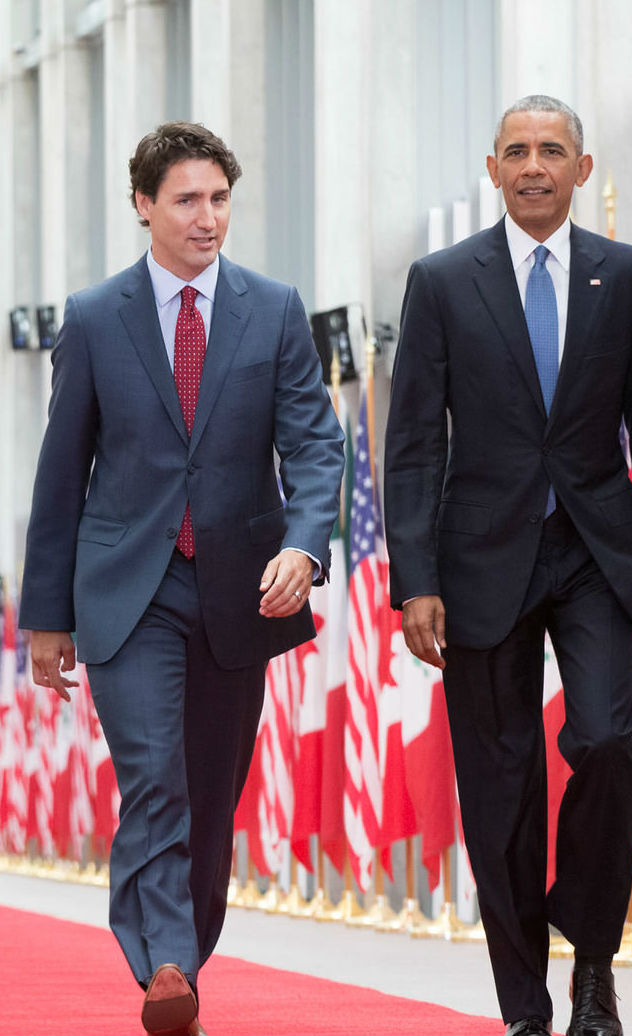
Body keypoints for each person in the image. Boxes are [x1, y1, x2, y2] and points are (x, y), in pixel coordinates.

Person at [19, 122, 344, 1036]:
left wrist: (304, 545)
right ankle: (162, 963)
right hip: (130, 590)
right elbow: (61, 473)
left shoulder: (274, 309)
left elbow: (316, 446)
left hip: (243, 589)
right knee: (154, 776)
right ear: (144, 206)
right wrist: (46, 617)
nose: (209, 219)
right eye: (189, 200)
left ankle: (184, 957)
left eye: (220, 200)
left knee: (211, 789)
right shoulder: (93, 317)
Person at [384, 95, 632, 1036]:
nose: (533, 166)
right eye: (516, 151)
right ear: (492, 169)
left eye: (551, 151)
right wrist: (416, 581)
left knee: (607, 741)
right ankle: (525, 1007)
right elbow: (411, 446)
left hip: (597, 553)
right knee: (501, 787)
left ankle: (591, 962)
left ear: (583, 170)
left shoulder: (628, 276)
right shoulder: (442, 281)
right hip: (478, 561)